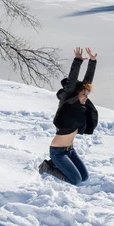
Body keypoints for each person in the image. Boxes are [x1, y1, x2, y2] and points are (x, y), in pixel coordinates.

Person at [38, 47, 98, 185]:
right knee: (75, 180)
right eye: (83, 95)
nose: (85, 98)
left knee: (84, 177)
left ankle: (57, 164)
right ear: (76, 94)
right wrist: (77, 60)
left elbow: (86, 83)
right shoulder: (67, 103)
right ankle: (47, 167)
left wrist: (93, 62)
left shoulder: (81, 107)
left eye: (86, 95)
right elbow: (72, 81)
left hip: (69, 150)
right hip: (57, 152)